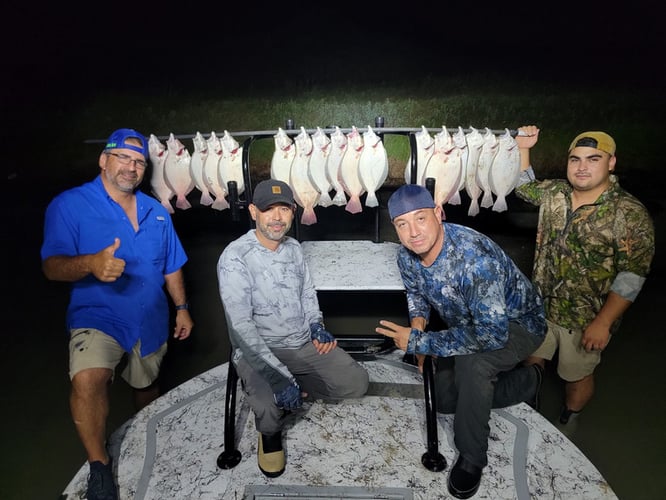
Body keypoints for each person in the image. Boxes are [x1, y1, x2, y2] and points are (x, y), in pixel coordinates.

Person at [41, 128, 194, 500]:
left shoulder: (157, 211)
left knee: (146, 386)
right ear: (103, 160)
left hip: (152, 317)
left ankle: (146, 436)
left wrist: (183, 308)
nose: (131, 167)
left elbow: (171, 266)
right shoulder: (70, 205)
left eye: (139, 161)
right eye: (123, 158)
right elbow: (52, 266)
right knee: (88, 380)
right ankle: (99, 466)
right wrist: (91, 263)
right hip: (99, 316)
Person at [375, 184, 546, 499]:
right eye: (402, 224)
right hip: (469, 324)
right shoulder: (407, 255)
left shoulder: (474, 260)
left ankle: (472, 457)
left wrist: (422, 343)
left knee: (474, 364)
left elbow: (491, 335)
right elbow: (416, 291)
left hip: (516, 325)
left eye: (420, 219)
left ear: (439, 213)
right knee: (443, 400)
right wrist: (418, 328)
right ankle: (526, 383)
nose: (413, 232)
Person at [217, 179, 369, 478]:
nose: (277, 217)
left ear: (293, 212)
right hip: (257, 349)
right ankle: (270, 434)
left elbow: (306, 294)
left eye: (284, 209)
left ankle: (295, 387)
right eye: (268, 209)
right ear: (253, 212)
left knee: (356, 383)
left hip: (301, 343)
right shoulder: (234, 257)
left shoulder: (294, 248)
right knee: (269, 408)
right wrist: (277, 378)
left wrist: (316, 324)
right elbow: (241, 327)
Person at [514, 126, 655, 427]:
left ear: (611, 162)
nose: (582, 167)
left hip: (585, 319)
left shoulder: (628, 213)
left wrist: (603, 323)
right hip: (540, 307)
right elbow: (523, 188)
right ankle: (529, 404)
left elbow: (632, 275)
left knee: (575, 375)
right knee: (532, 359)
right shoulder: (556, 193)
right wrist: (524, 148)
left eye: (593, 159)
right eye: (575, 159)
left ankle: (570, 419)